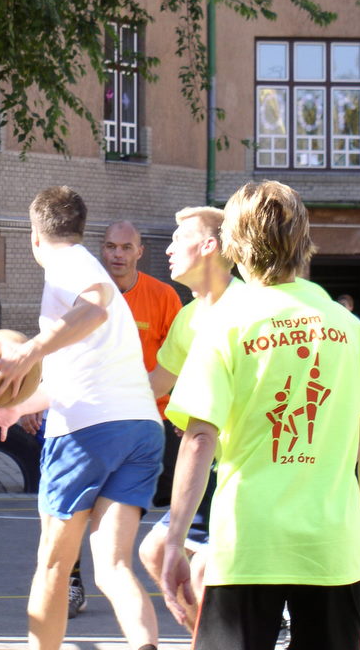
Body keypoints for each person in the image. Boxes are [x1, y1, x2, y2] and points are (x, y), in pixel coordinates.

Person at [161, 180, 360, 650]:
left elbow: (199, 439)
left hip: (248, 541)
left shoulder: (225, 324)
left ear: (233, 243)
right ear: (303, 239)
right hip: (332, 544)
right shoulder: (351, 329)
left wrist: (174, 540)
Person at [0, 185, 164, 650]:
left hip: (87, 433)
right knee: (112, 567)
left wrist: (27, 353)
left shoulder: (68, 265)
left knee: (54, 566)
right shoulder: (86, 270)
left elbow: (93, 308)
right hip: (141, 429)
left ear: (35, 237)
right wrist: (18, 408)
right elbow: (69, 378)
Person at [138, 205, 239, 632]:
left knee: (201, 571)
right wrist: (67, 400)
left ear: (210, 245)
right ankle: (210, 637)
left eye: (179, 239)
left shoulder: (248, 308)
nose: (169, 249)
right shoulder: (189, 316)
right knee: (154, 551)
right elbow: (154, 384)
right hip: (206, 464)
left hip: (241, 465)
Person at [101, 220, 182, 506]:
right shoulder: (87, 294)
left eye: (126, 247)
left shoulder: (163, 296)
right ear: (102, 249)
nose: (118, 254)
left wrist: (186, 411)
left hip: (156, 417)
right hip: (102, 417)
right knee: (112, 501)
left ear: (140, 252)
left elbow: (185, 359)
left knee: (169, 498)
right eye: (111, 246)